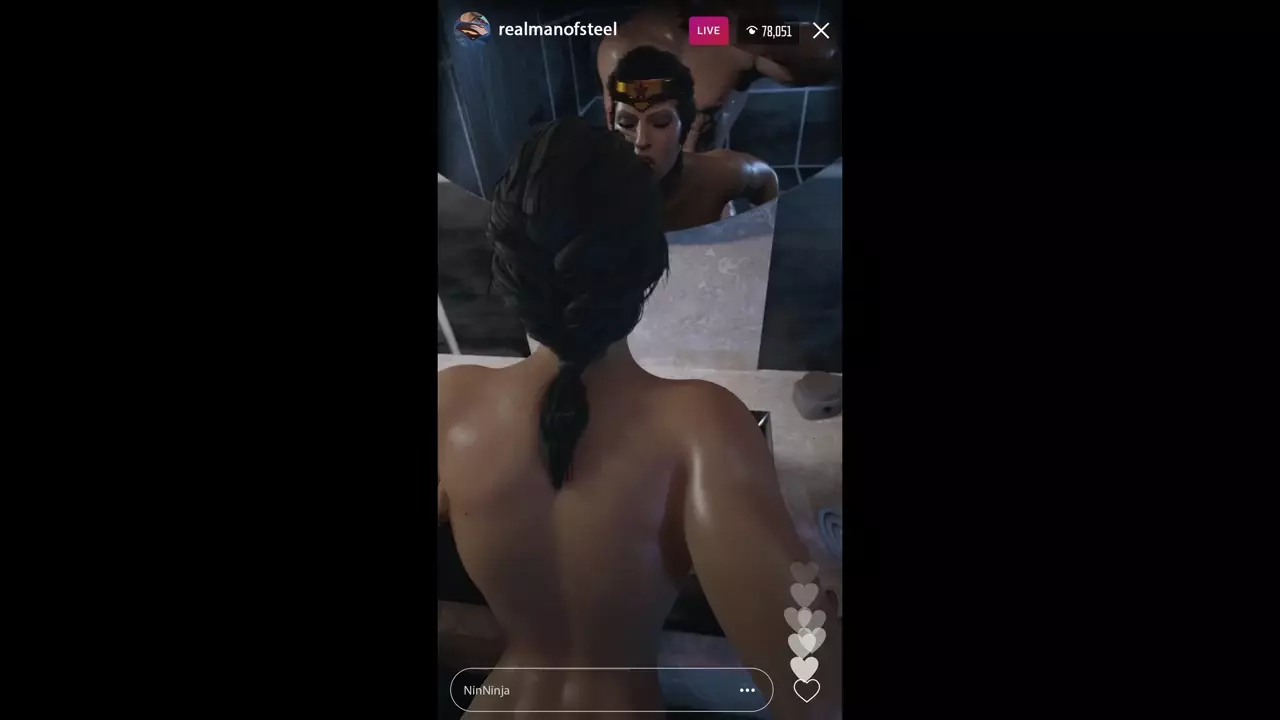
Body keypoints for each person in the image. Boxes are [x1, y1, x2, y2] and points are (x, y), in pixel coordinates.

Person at [437, 117, 842, 719]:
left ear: (507, 268)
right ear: (649, 267)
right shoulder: (703, 429)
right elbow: (816, 693)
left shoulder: (450, 405)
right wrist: (818, 599)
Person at [597, 0, 840, 153]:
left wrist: (745, 32)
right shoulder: (620, 46)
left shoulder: (729, 38)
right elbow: (618, 138)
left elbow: (823, 51)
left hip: (707, 189)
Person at [606, 46, 778, 231]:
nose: (641, 141)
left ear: (685, 126)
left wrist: (763, 232)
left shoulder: (716, 177)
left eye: (660, 123)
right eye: (626, 123)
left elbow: (766, 180)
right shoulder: (591, 188)